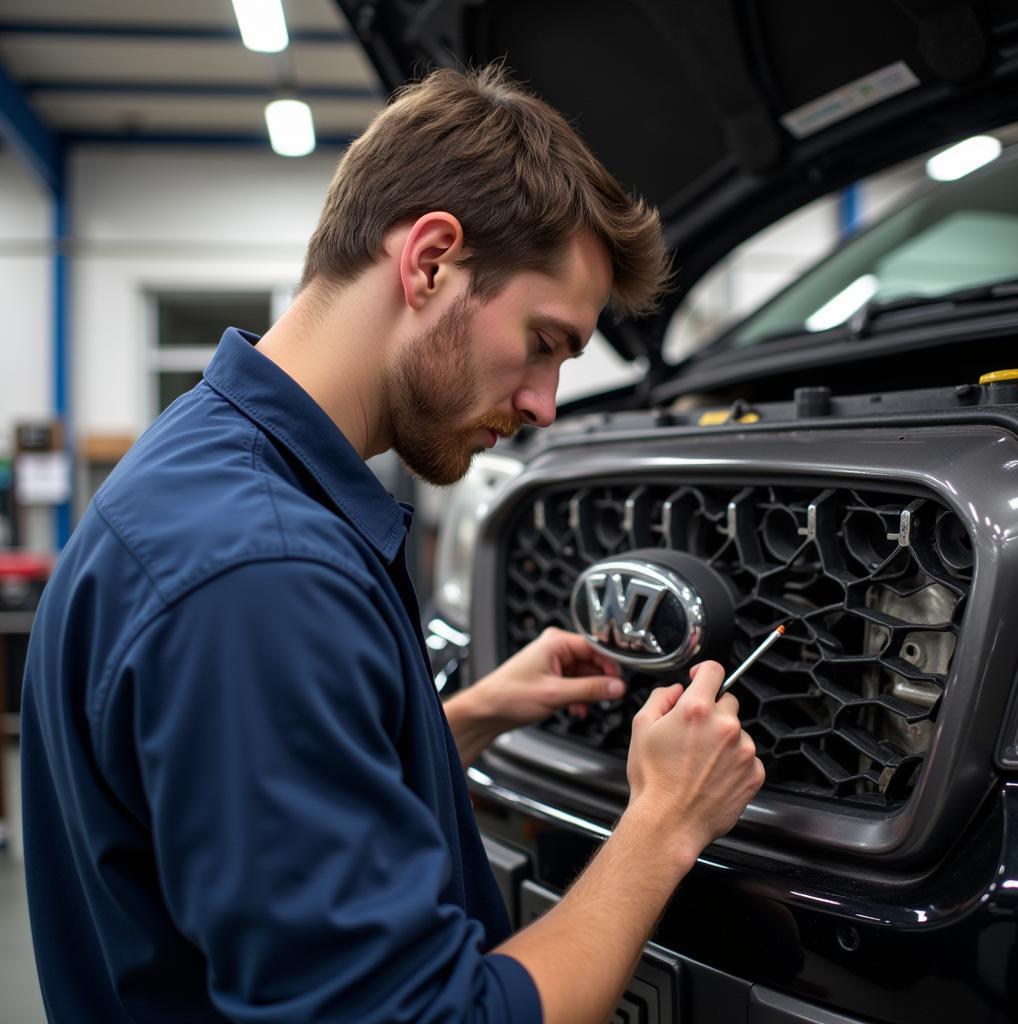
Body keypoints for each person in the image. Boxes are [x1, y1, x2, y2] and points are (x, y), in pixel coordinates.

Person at [21, 66, 764, 1023]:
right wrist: (664, 823)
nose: (543, 404)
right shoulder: (263, 579)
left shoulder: (201, 465)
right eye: (545, 341)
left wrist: (465, 715)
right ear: (430, 261)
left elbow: (234, 807)